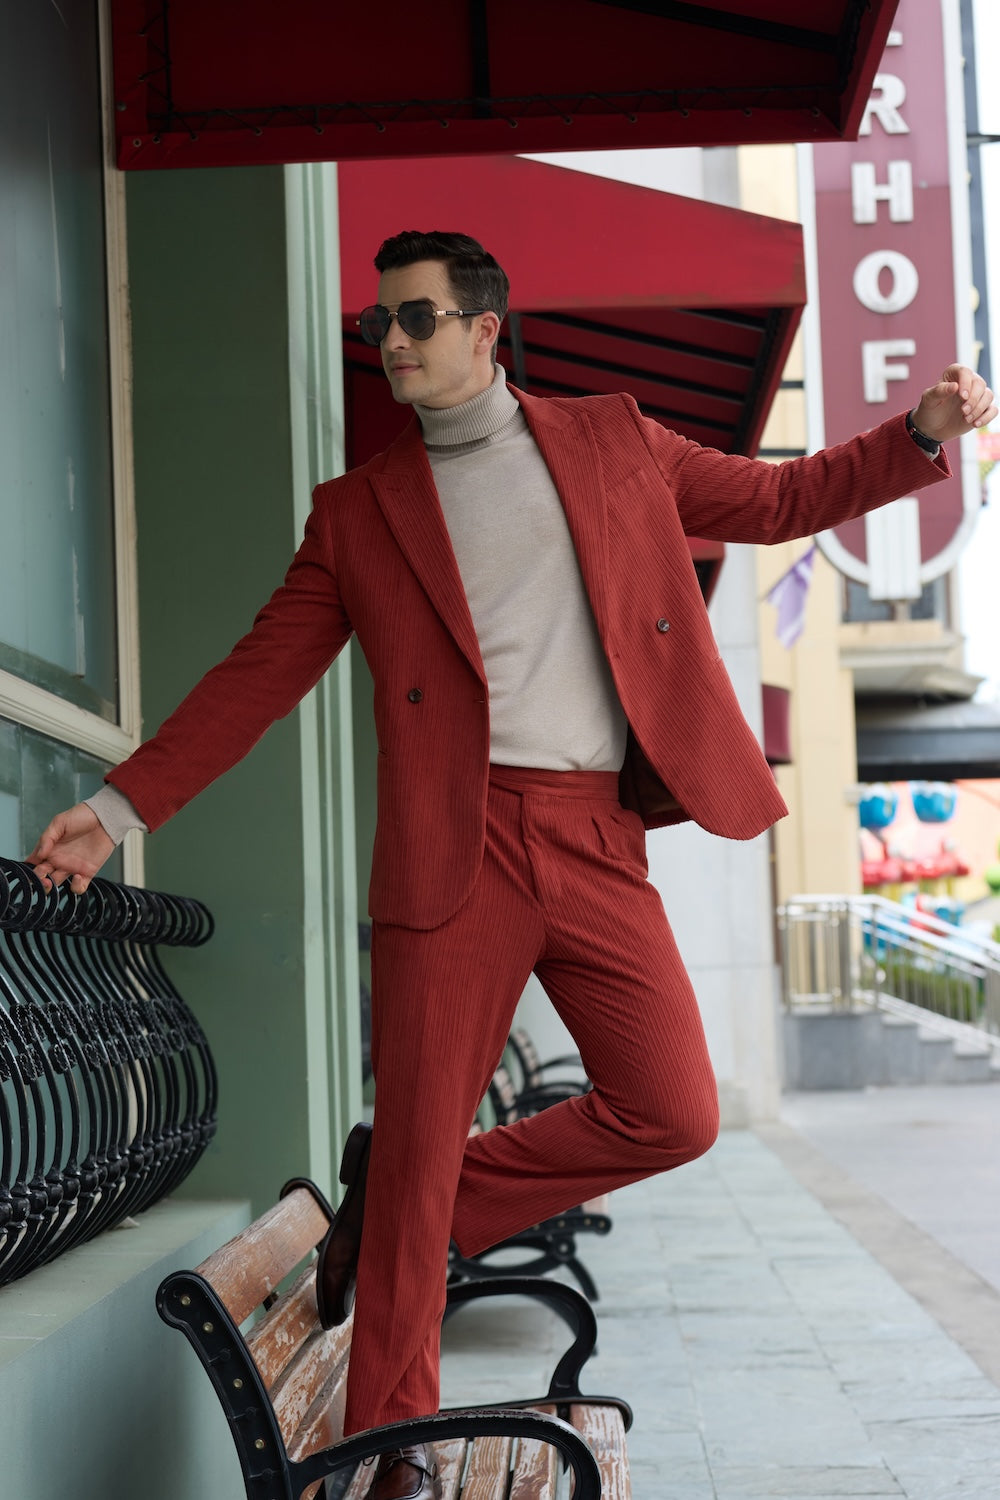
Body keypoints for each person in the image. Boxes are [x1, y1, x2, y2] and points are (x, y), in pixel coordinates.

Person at [29, 230, 995, 1500]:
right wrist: (116, 800)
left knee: (674, 1110)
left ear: (487, 328)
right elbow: (256, 677)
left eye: (419, 318)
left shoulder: (614, 441)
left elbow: (774, 503)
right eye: (384, 322)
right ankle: (392, 1457)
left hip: (596, 832)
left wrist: (913, 437)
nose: (395, 340)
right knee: (424, 1143)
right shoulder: (358, 512)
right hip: (454, 843)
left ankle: (402, 1199)